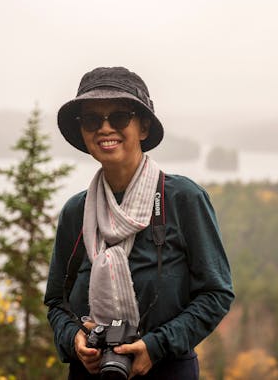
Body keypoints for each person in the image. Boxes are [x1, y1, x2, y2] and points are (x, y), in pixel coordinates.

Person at [44, 66, 234, 379]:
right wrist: (74, 339)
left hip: (167, 370)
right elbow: (56, 301)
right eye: (92, 120)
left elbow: (216, 293)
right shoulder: (76, 212)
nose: (105, 128)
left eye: (119, 117)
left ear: (143, 128)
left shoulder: (181, 199)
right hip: (90, 372)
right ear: (82, 131)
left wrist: (155, 346)